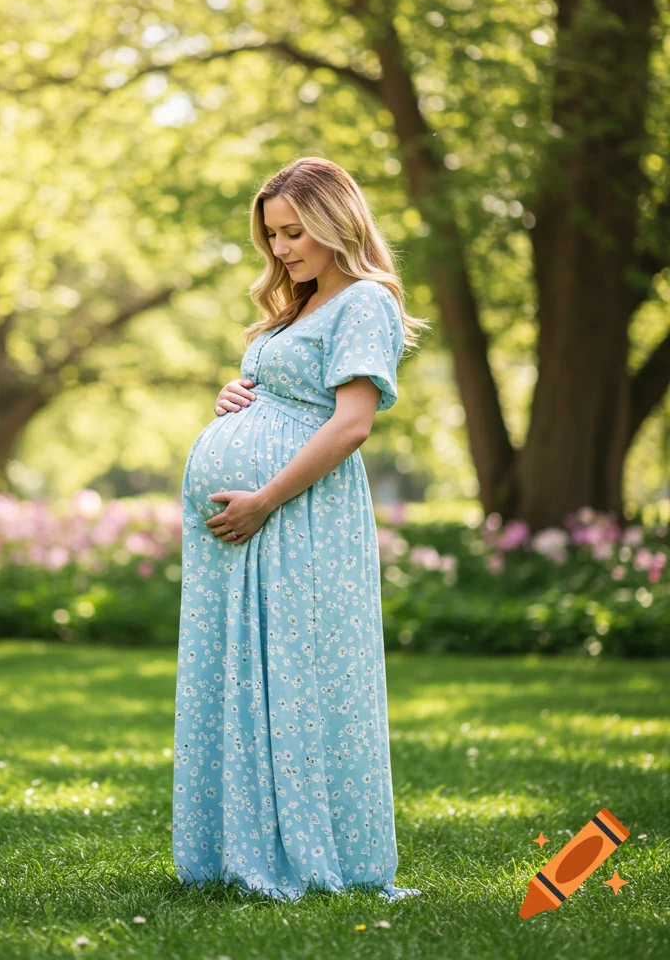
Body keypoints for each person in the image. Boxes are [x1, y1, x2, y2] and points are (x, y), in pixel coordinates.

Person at [172, 156, 430, 902]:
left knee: (289, 672)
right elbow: (288, 396)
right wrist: (236, 396)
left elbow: (350, 426)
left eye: (294, 233)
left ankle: (310, 849)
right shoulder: (302, 307)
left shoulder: (365, 303)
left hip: (296, 515)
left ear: (334, 222)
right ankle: (237, 843)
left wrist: (263, 499)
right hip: (253, 525)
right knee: (246, 671)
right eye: (272, 236)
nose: (281, 250)